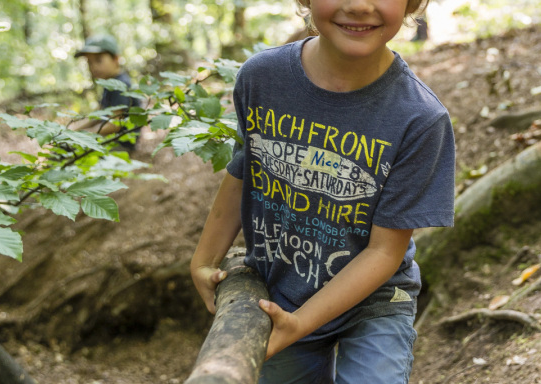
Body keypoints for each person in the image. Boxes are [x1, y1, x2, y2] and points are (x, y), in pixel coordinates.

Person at [190, 0, 455, 381]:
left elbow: (384, 251)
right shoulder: (262, 77)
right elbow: (244, 170)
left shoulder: (420, 118)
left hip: (374, 301)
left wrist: (300, 323)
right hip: (279, 287)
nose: (360, 5)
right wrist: (204, 259)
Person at [73, 34, 140, 150]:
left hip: (121, 143)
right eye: (89, 63)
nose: (93, 67)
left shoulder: (120, 85)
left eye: (98, 60)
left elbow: (115, 125)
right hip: (110, 139)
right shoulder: (109, 83)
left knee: (68, 148)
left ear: (115, 59)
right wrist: (74, 130)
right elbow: (99, 114)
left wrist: (84, 136)